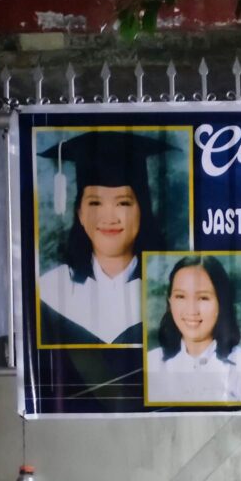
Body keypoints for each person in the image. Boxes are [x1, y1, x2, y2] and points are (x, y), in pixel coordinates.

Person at [37, 131, 171, 345]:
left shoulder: (169, 290)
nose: (109, 217)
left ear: (142, 211)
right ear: (79, 213)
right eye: (95, 203)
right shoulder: (51, 290)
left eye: (123, 203)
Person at [145, 255, 241, 405]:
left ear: (221, 303)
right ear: (170, 301)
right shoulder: (151, 363)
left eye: (203, 298)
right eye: (180, 296)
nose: (191, 310)